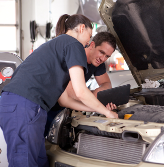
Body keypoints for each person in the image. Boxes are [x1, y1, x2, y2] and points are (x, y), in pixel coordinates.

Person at [0, 14, 118, 167]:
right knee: (25, 162)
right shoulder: (74, 44)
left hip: (25, 106)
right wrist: (107, 112)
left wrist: (97, 110)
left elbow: (65, 100)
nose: (88, 42)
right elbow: (81, 91)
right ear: (82, 28)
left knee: (41, 161)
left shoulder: (59, 44)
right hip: (24, 105)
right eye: (89, 36)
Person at [44, 31, 118, 136]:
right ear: (92, 45)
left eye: (107, 56)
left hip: (64, 108)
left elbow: (106, 83)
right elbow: (73, 94)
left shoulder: (98, 62)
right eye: (101, 52)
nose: (103, 58)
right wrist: (98, 103)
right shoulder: (76, 57)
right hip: (47, 107)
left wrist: (98, 93)